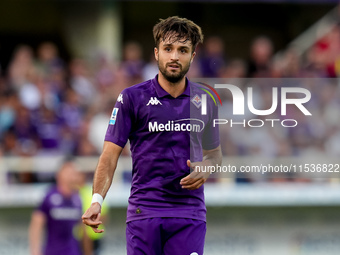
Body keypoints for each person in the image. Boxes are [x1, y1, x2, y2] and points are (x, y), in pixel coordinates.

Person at [82, 16, 222, 255]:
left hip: (189, 213)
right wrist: (97, 199)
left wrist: (207, 167)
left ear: (193, 56)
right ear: (156, 53)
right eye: (168, 49)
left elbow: (215, 154)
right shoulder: (132, 98)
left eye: (183, 50)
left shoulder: (206, 100)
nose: (175, 57)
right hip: (144, 212)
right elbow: (109, 155)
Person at [29, 161, 83, 255]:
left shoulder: (78, 198)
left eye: (73, 173)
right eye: (68, 172)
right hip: (52, 251)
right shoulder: (49, 197)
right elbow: (36, 225)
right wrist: (35, 251)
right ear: (59, 175)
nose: (72, 175)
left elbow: (82, 229)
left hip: (73, 251)